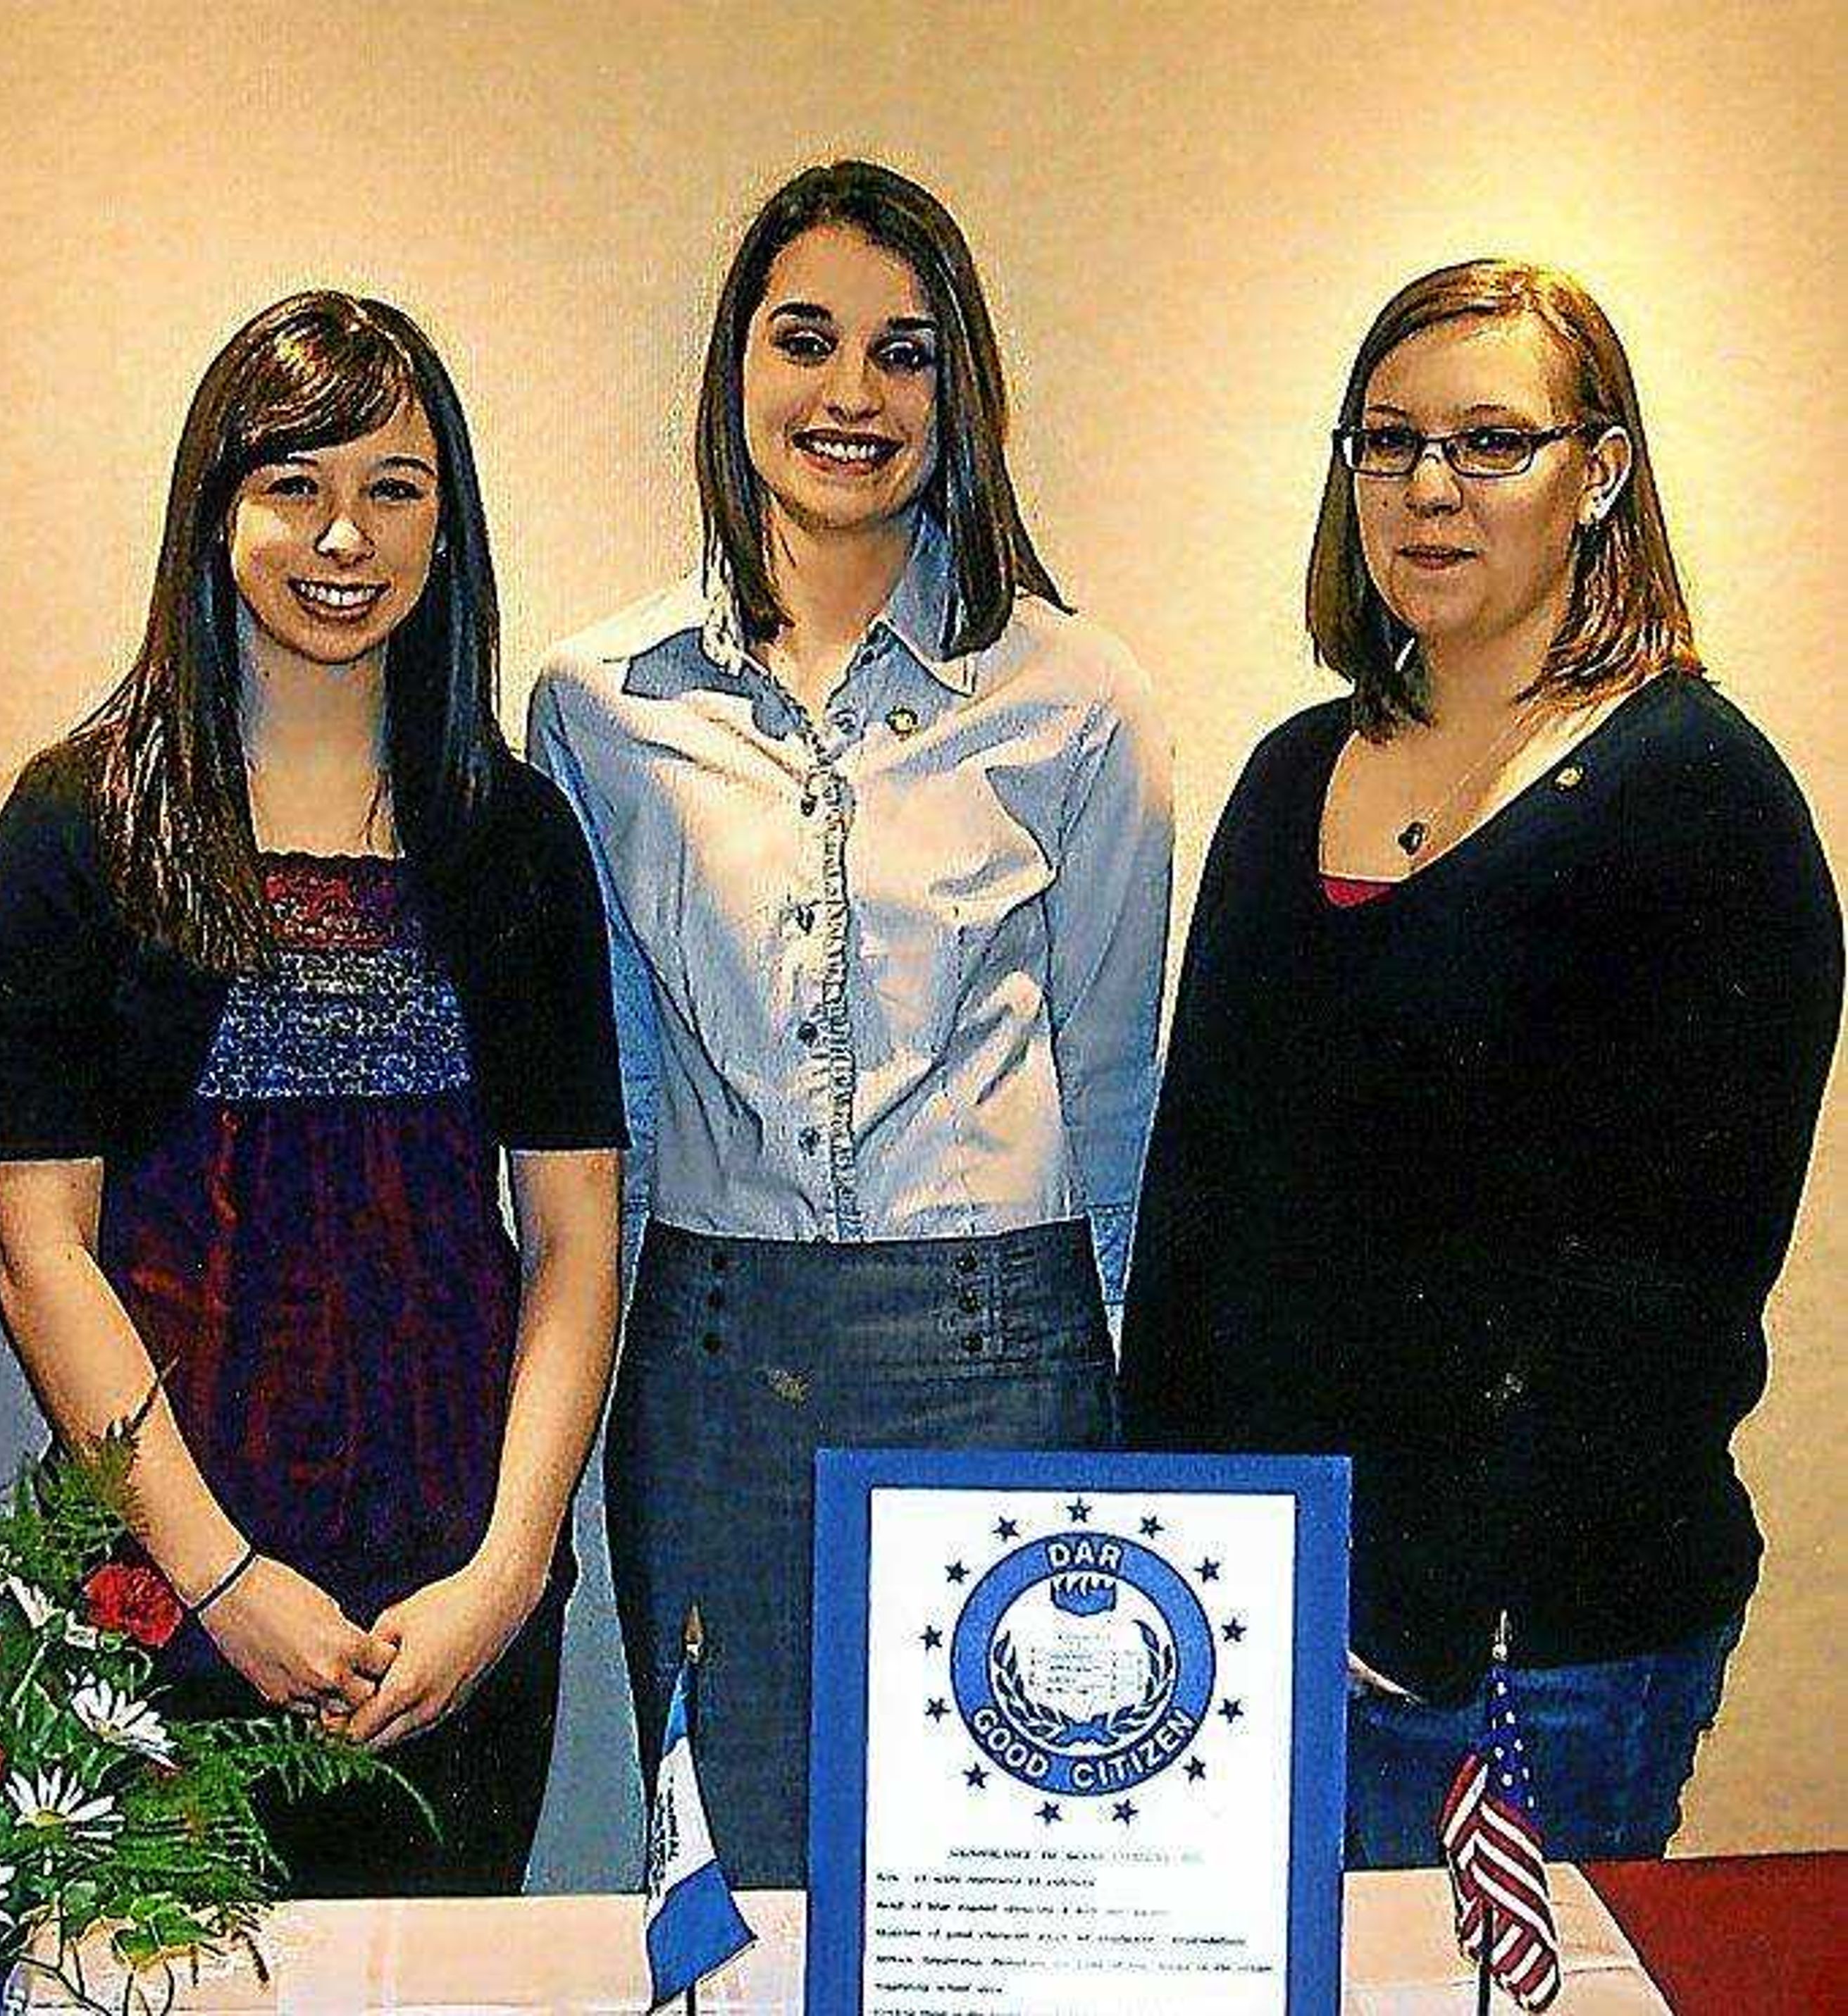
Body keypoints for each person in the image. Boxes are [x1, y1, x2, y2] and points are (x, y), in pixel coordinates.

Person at [1120, 259, 1842, 1867]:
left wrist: (1423, 1605)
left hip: (1537, 1648)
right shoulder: (1294, 772)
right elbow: (1201, 1212)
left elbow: (1668, 1297)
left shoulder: (1699, 803)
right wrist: (1162, 1551)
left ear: (1600, 473)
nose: (1428, 489)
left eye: (1489, 441)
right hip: (1251, 1628)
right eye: (1386, 443)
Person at [530, 161, 1172, 1885]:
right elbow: (619, 1087)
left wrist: (1116, 1377)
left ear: (959, 390)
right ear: (735, 371)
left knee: (1012, 1869)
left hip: (1004, 1343)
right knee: (734, 1864)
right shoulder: (598, 706)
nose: (851, 397)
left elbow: (1112, 1083)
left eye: (904, 352)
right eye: (804, 340)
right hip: (719, 1349)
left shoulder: (1078, 697)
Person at [0, 292, 624, 1896]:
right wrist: (215, 1579)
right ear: (216, 511)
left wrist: (511, 1572)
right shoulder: (76, 823)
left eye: (396, 488)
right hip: (162, 1586)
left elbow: (578, 1237)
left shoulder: (515, 837)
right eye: (294, 483)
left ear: (448, 527)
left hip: (450, 1611)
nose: (345, 534)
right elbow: (36, 1248)